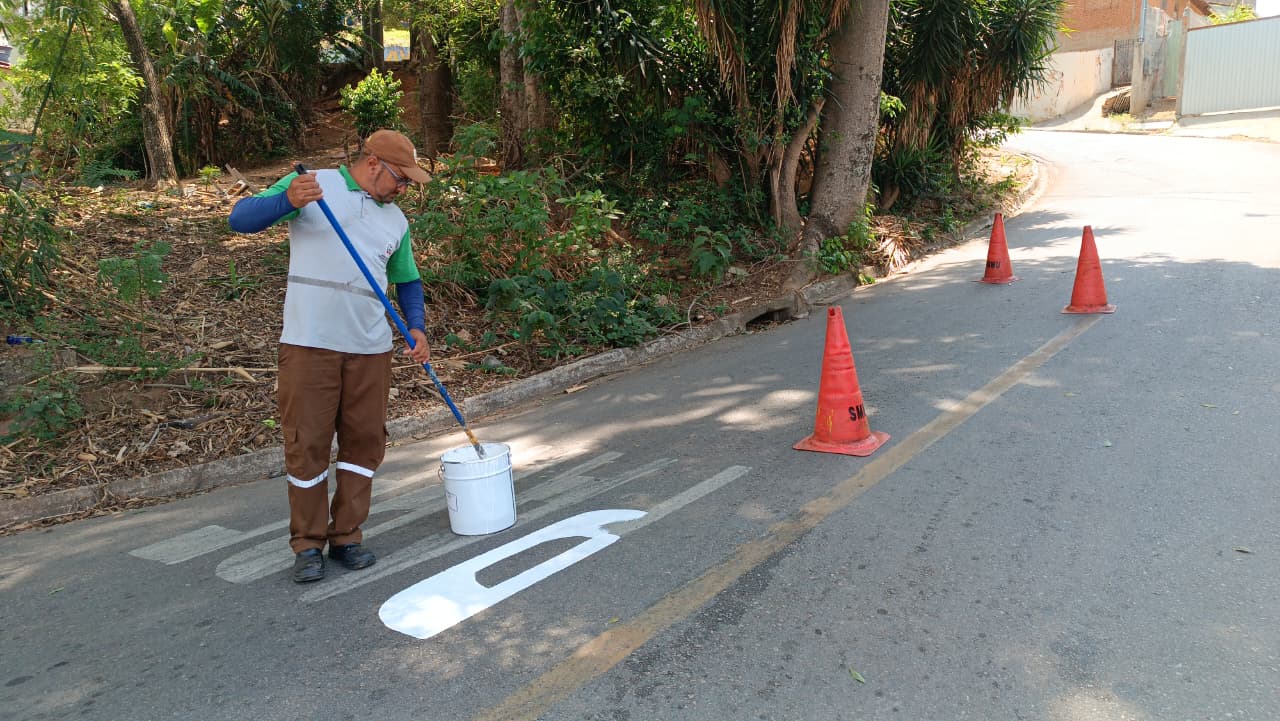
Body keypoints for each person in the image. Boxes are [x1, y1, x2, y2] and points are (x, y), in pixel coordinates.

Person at [228, 129, 432, 583]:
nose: (403, 189)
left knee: (364, 444)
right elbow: (240, 219)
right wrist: (288, 201)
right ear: (374, 162)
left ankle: (347, 537)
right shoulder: (313, 185)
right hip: (310, 344)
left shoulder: (396, 221)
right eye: (401, 179)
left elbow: (407, 280)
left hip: (370, 348)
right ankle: (307, 544)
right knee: (308, 444)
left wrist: (416, 326)